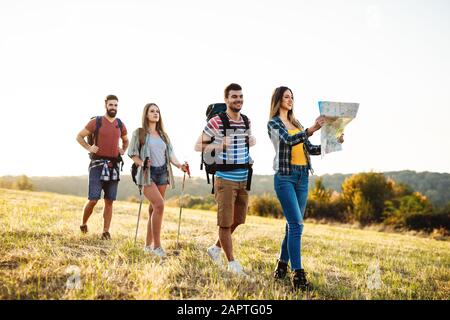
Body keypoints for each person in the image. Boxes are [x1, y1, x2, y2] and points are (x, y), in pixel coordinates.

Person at [267, 86, 344, 291]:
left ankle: (282, 265)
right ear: (278, 100)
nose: (290, 100)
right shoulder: (274, 123)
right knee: (297, 225)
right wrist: (311, 129)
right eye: (286, 97)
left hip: (303, 177)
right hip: (285, 177)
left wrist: (333, 142)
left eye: (292, 97)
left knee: (292, 225)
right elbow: (290, 140)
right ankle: (298, 276)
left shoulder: (296, 123)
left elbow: (308, 148)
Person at [195, 83, 256, 276]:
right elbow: (198, 146)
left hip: (244, 177)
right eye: (234, 97)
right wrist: (220, 144)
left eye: (240, 96)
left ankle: (215, 249)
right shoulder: (217, 121)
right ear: (226, 100)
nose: (238, 100)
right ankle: (232, 264)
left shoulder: (246, 120)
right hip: (225, 178)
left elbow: (243, 145)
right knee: (224, 223)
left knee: (237, 220)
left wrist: (250, 141)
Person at [128, 103, 189, 258]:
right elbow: (132, 153)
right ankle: (157, 247)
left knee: (153, 209)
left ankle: (147, 246)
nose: (155, 113)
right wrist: (142, 163)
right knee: (159, 205)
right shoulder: (139, 133)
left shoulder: (163, 135)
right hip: (147, 174)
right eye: (152, 111)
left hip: (162, 173)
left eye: (157, 111)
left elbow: (171, 154)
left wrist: (180, 165)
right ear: (146, 114)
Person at [76, 94, 129, 240]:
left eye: (116, 105)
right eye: (111, 105)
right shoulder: (96, 122)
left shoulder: (120, 124)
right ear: (105, 105)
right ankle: (83, 223)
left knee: (109, 200)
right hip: (97, 165)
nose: (113, 108)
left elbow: (126, 140)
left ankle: (106, 232)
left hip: (114, 165)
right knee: (93, 199)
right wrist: (88, 147)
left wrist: (123, 149)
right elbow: (79, 136)